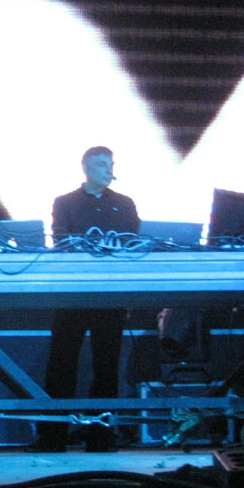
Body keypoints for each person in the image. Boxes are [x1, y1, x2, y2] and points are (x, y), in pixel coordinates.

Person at [36, 145, 140, 452]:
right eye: (101, 164)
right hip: (72, 293)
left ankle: (101, 436)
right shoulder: (65, 202)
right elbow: (61, 239)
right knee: (62, 364)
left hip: (110, 294)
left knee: (107, 366)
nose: (109, 170)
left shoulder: (125, 203)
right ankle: (53, 437)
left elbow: (134, 242)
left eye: (111, 164)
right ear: (85, 168)